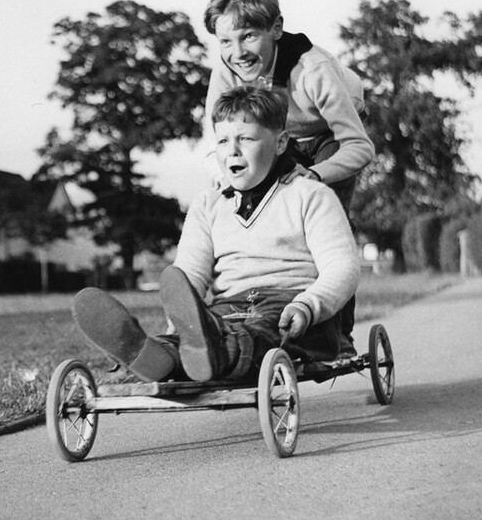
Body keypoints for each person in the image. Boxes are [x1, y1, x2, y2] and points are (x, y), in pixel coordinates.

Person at [72, 87, 360, 384]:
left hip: (294, 308)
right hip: (229, 308)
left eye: (245, 138)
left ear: (280, 142)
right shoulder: (209, 204)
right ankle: (156, 354)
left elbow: (343, 268)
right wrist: (179, 323)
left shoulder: (310, 195)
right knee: (210, 332)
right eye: (223, 140)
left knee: (255, 335)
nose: (232, 150)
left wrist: (309, 305)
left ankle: (207, 353)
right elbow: (188, 278)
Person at [200, 0, 374, 355]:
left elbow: (360, 147)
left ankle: (336, 335)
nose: (237, 51)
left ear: (276, 29)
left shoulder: (313, 69)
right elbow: (212, 139)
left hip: (331, 130)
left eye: (248, 36)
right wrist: (224, 180)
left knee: (327, 218)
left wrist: (314, 174)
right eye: (225, 41)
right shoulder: (226, 71)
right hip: (284, 136)